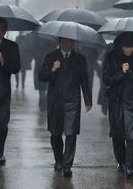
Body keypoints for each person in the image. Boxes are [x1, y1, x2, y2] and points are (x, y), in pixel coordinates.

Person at [102, 32, 133, 179]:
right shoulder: (111, 57)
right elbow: (106, 79)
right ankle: (121, 161)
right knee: (117, 135)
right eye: (125, 47)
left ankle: (130, 166)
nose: (127, 50)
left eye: (131, 47)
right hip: (116, 101)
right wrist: (121, 72)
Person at [39, 37, 92, 177]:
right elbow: (42, 76)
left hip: (72, 100)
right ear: (60, 42)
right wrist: (52, 69)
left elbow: (84, 80)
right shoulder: (51, 57)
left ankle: (67, 165)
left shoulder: (80, 58)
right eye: (66, 41)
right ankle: (58, 160)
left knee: (71, 133)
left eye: (72, 41)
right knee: (55, 133)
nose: (69, 44)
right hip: (55, 100)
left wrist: (88, 100)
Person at [0, 18, 20, 164]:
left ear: (5, 31)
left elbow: (16, 68)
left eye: (1, 29)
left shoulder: (12, 46)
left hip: (3, 93)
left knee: (2, 124)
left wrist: (2, 59)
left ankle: (0, 152)